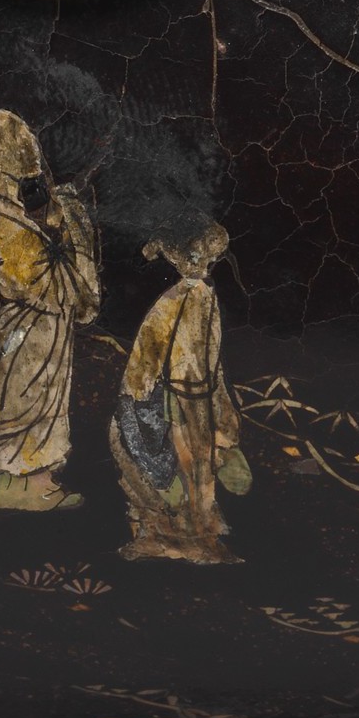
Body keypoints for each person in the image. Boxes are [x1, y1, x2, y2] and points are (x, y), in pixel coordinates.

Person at [0, 110, 100, 512]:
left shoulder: (12, 212)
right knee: (29, 399)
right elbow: (50, 287)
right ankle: (16, 485)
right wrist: (77, 232)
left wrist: (64, 225)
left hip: (45, 326)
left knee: (43, 400)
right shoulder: (4, 221)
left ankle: (37, 481)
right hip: (36, 324)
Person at [111, 226, 248, 562]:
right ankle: (187, 528)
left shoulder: (198, 296)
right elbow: (151, 349)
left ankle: (200, 530)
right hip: (177, 394)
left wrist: (218, 395)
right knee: (187, 460)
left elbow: (206, 352)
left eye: (209, 258)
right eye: (198, 257)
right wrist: (141, 388)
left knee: (196, 461)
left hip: (192, 394)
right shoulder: (182, 298)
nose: (203, 265)